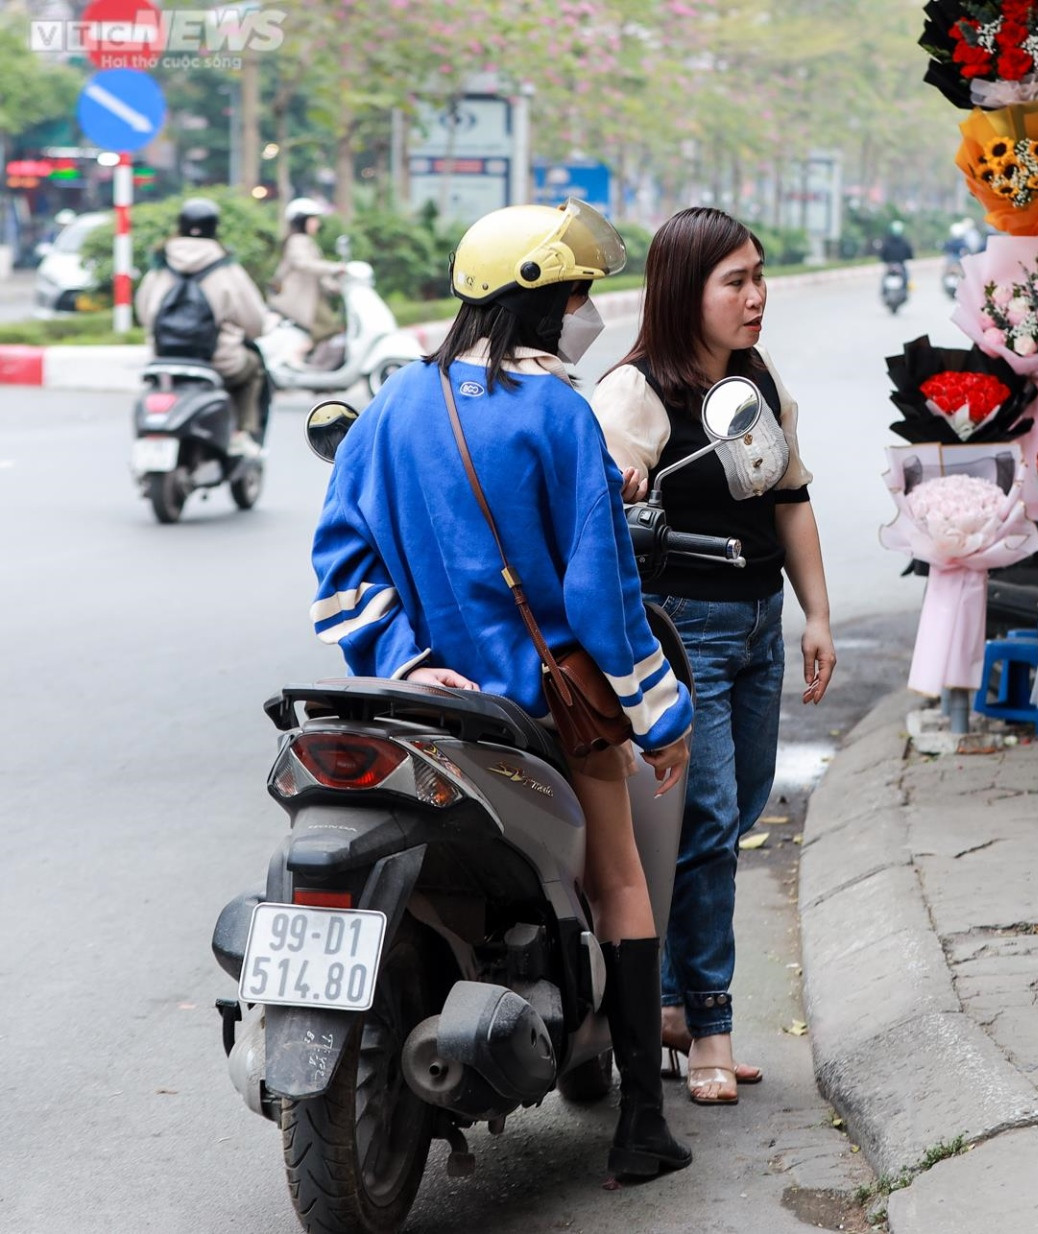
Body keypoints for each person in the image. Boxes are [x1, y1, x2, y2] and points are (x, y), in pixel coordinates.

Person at [308, 199, 697, 1183]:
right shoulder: (560, 411)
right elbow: (603, 600)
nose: (588, 309)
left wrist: (402, 659)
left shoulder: (394, 401)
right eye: (581, 293)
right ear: (547, 304)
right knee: (621, 878)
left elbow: (341, 564)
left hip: (423, 710)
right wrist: (662, 715)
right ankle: (643, 1127)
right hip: (538, 712)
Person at [591, 206, 836, 1107]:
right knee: (707, 827)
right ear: (681, 290)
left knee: (729, 820)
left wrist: (816, 615)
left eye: (760, 277)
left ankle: (666, 1003)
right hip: (682, 631)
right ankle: (710, 1028)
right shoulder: (634, 394)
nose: (756, 297)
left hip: (757, 622)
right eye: (735, 281)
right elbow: (596, 522)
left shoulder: (757, 379)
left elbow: (791, 498)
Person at [135, 198, 269, 454]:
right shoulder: (226, 268)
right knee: (254, 367)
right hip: (218, 362)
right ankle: (240, 433)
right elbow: (255, 323)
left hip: (162, 359)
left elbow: (143, 312)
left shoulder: (161, 264)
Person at [269, 197, 344, 354]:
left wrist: (335, 286)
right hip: (300, 300)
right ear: (301, 221)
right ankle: (300, 362)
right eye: (313, 219)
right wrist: (335, 268)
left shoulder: (304, 240)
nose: (317, 223)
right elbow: (303, 264)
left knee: (328, 329)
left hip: (311, 298)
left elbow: (316, 272)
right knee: (327, 328)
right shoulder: (297, 240)